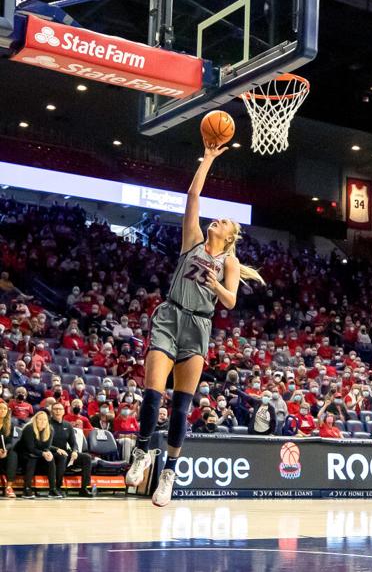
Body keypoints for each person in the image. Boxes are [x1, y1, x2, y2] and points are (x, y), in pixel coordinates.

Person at [123, 144, 265, 507]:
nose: (216, 220)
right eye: (216, 218)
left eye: (224, 222)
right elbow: (192, 195)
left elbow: (230, 301)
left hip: (199, 327)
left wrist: (212, 282)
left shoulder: (229, 263)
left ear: (231, 235)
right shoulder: (194, 241)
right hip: (170, 316)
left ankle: (169, 472)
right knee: (153, 394)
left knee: (182, 406)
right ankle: (142, 452)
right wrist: (209, 158)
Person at [49, 401, 94, 497]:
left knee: (87, 457)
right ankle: (57, 487)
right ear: (52, 411)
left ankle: (84, 488)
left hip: (65, 452)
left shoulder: (67, 425)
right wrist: (56, 449)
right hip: (51, 452)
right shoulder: (48, 424)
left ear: (63, 411)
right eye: (55, 409)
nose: (57, 411)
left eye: (60, 409)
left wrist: (74, 451)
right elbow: (43, 443)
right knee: (63, 456)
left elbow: (73, 443)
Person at [16, 410, 57, 498]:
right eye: (40, 419)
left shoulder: (50, 430)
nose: (42, 422)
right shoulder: (29, 428)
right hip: (23, 454)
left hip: (38, 453)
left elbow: (47, 446)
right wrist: (43, 453)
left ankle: (52, 489)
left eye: (45, 419)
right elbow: (30, 448)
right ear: (35, 420)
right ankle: (27, 489)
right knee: (32, 458)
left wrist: (47, 453)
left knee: (50, 459)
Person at [0, 400, 17, 498]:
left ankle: (9, 487)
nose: (2, 410)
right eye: (0, 408)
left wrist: (5, 450)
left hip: (4, 452)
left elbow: (10, 442)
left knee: (13, 453)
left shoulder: (11, 425)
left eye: (4, 409)